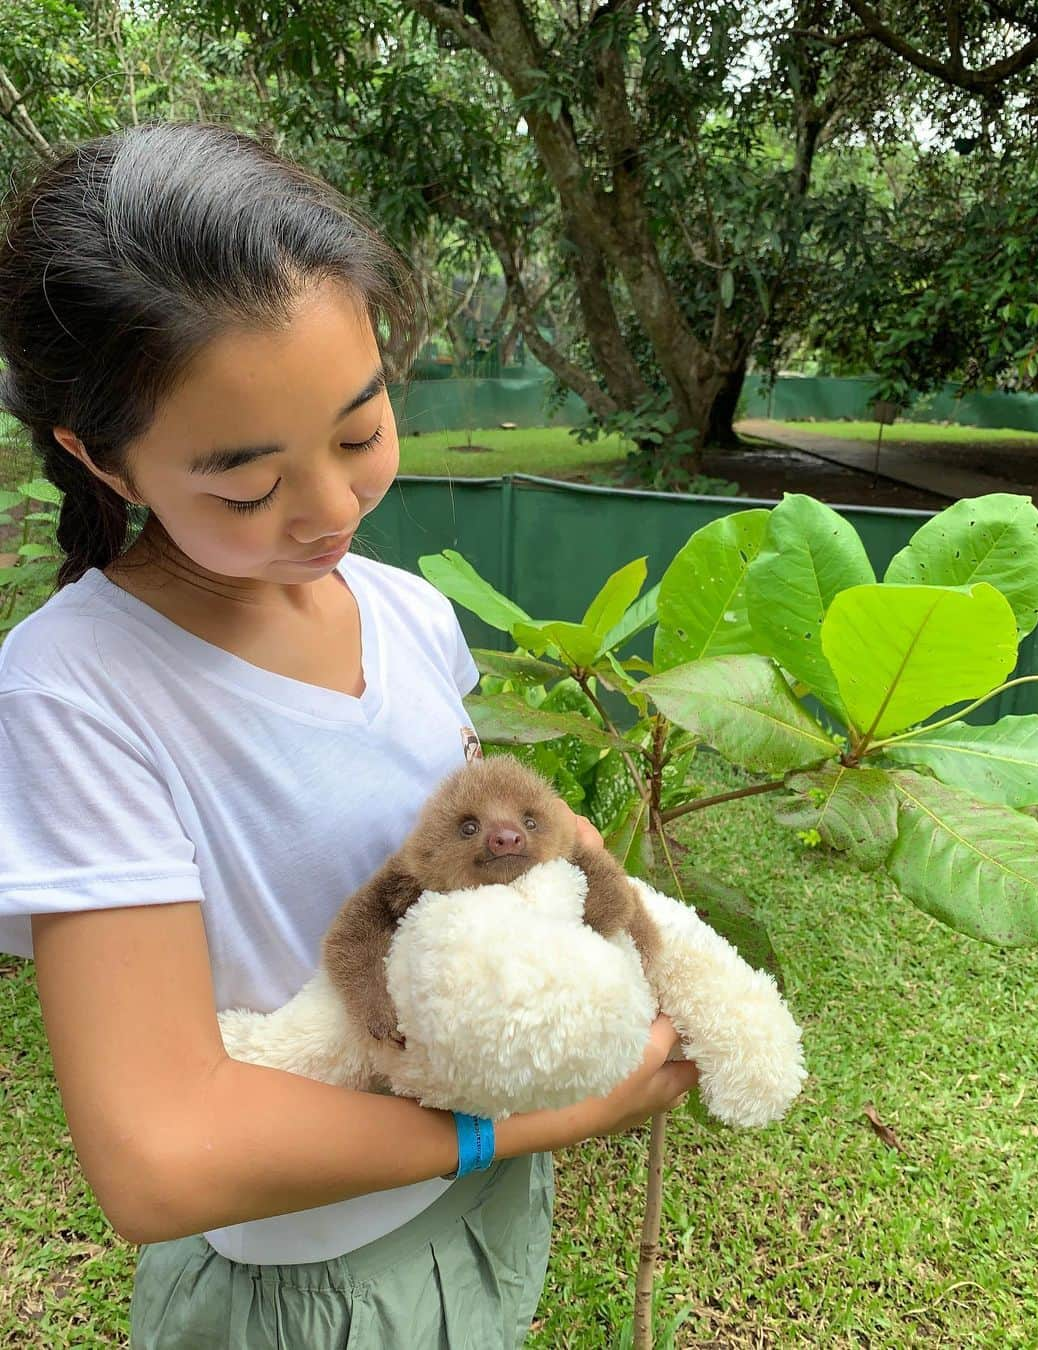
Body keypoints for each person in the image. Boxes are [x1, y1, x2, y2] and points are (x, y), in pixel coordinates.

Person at [0, 121, 697, 1348]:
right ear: (99, 459)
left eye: (362, 431)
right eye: (245, 487)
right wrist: (550, 1117)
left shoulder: (408, 612)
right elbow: (160, 1157)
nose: (331, 511)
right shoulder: (77, 694)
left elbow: (467, 850)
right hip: (309, 1275)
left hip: (476, 1207)